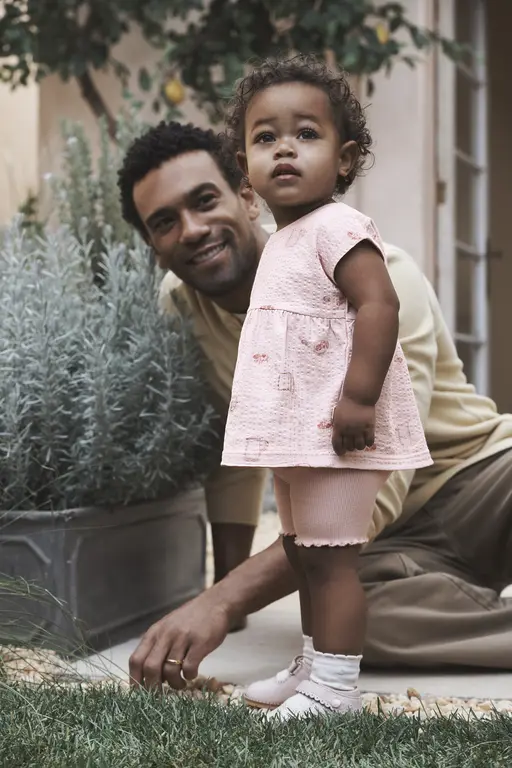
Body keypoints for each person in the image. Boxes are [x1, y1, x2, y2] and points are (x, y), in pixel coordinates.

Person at [117, 114, 512, 695]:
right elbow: (237, 445)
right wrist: (230, 593)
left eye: (205, 200)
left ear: (246, 198)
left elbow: (378, 482)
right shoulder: (184, 307)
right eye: (165, 223)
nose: (194, 228)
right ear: (154, 248)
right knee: (349, 625)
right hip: (397, 545)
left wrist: (222, 602)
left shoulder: (374, 275)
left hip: (476, 477)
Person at [217, 54, 431, 720]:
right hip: (300, 435)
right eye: (265, 137)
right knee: (309, 556)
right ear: (245, 165)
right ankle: (313, 666)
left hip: (337, 429)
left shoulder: (337, 227)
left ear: (345, 159)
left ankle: (335, 688)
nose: (284, 147)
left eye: (306, 134)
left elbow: (379, 306)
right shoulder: (282, 240)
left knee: (333, 560)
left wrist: (359, 399)